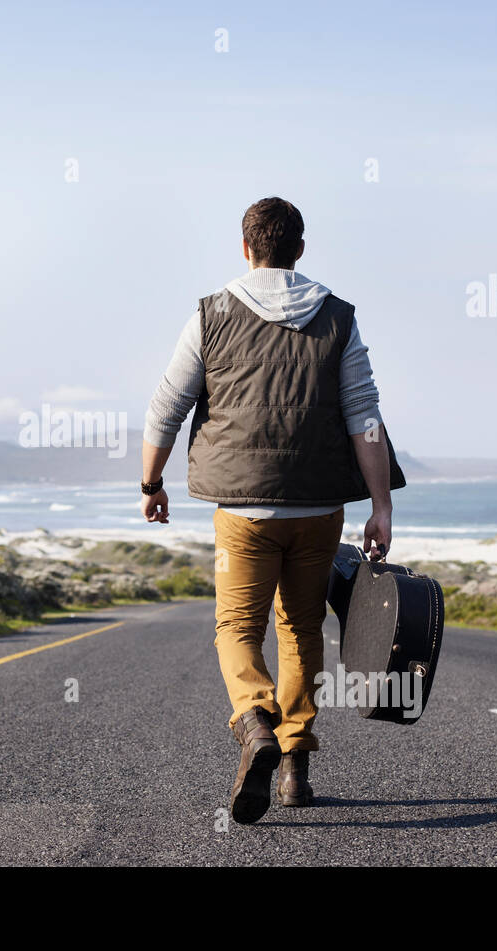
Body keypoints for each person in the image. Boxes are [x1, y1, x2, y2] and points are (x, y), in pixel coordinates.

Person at [140, 197, 400, 825]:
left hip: (244, 513)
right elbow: (365, 417)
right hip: (318, 511)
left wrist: (151, 482)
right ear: (300, 250)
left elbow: (167, 405)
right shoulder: (338, 316)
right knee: (301, 632)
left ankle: (255, 721)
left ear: (246, 247)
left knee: (236, 629)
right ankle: (294, 771)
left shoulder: (212, 313)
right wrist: (382, 508)